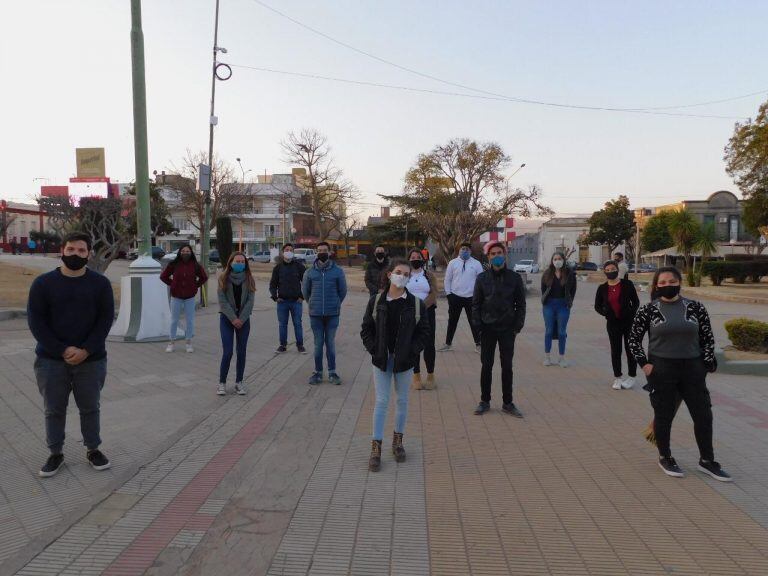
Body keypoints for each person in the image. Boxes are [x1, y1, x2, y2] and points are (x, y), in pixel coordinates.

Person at [628, 266, 731, 481]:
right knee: (664, 415)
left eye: (671, 281)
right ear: (656, 285)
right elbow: (633, 340)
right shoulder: (648, 310)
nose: (667, 285)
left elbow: (707, 337)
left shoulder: (695, 307)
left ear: (679, 283)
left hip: (693, 369)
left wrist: (705, 363)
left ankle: (707, 460)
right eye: (662, 282)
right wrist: (645, 365)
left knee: (703, 415)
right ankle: (665, 456)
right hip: (661, 369)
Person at [27, 232, 115, 477]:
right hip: (50, 361)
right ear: (62, 251)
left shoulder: (100, 284)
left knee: (90, 407)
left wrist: (86, 350)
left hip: (92, 360)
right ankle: (55, 453)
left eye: (81, 251)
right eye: (71, 250)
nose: (75, 255)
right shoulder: (43, 284)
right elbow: (37, 322)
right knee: (54, 409)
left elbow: (105, 320)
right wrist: (62, 349)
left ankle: (93, 449)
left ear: (88, 254)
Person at [361, 259, 428, 472]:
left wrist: (411, 351)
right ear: (389, 274)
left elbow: (424, 333)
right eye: (399, 272)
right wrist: (375, 349)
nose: (402, 276)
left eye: (406, 274)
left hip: (404, 361)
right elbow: (366, 329)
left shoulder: (416, 304)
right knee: (381, 401)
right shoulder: (376, 301)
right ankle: (376, 447)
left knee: (402, 401)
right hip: (381, 360)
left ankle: (398, 442)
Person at [471, 241, 526, 417]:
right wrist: (478, 328)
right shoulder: (482, 278)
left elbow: (521, 304)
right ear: (488, 257)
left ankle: (508, 402)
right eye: (492, 254)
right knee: (486, 366)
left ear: (504, 255)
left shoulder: (514, 278)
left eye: (499, 253)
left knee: (507, 366)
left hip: (508, 329)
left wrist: (517, 327)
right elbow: (476, 305)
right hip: (487, 328)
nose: (496, 256)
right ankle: (484, 401)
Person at [302, 241, 347, 385]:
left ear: (329, 252)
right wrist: (313, 303)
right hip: (315, 315)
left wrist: (335, 303)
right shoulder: (309, 272)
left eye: (324, 250)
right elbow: (305, 292)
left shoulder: (338, 271)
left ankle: (332, 372)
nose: (322, 252)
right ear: (316, 252)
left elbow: (343, 291)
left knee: (330, 344)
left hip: (332, 314)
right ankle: (318, 373)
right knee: (317, 344)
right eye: (319, 250)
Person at [594, 260, 640, 390]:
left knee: (630, 349)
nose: (610, 272)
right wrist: (606, 313)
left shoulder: (627, 284)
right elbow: (597, 306)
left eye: (612, 269)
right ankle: (618, 377)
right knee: (616, 351)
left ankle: (631, 376)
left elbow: (635, 302)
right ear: (604, 272)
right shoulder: (602, 288)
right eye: (607, 270)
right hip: (613, 324)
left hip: (628, 322)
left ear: (617, 269)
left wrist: (631, 312)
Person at [217, 252, 256, 396]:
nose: (239, 263)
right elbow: (222, 302)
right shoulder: (223, 278)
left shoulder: (249, 279)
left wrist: (241, 318)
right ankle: (222, 383)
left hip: (244, 320)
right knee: (227, 352)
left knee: (241, 352)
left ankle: (239, 382)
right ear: (230, 262)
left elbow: (250, 301)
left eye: (242, 261)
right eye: (237, 261)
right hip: (227, 319)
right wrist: (234, 319)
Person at [160, 245, 208, 353]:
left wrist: (195, 286)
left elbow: (204, 277)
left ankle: (188, 342)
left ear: (191, 253)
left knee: (190, 321)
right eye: (183, 251)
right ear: (180, 252)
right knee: (174, 320)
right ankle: (171, 342)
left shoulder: (195, 265)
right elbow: (163, 276)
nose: (185, 253)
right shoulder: (174, 264)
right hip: (176, 297)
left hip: (190, 297)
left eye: (187, 251)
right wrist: (173, 285)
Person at [440, 242, 483, 352]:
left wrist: (479, 297)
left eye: (467, 249)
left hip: (471, 297)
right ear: (459, 250)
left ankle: (478, 344)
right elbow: (447, 279)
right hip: (455, 297)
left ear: (470, 251)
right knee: (452, 321)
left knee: (474, 321)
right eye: (463, 249)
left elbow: (481, 281)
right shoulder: (453, 263)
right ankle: (448, 344)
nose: (465, 251)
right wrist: (449, 294)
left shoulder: (476, 264)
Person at [406, 248, 438, 389]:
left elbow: (434, 292)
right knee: (414, 344)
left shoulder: (429, 275)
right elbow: (401, 291)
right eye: (412, 257)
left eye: (417, 257)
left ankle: (430, 375)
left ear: (422, 259)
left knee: (429, 344)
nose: (415, 259)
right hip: (410, 314)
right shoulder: (405, 275)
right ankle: (416, 375)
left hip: (427, 313)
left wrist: (422, 306)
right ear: (409, 260)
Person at [541, 251, 577, 367]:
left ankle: (561, 358)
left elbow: (573, 290)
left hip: (563, 305)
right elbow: (543, 290)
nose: (557, 261)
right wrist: (545, 301)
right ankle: (547, 357)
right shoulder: (547, 273)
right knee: (549, 331)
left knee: (562, 332)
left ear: (563, 260)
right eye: (555, 259)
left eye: (559, 259)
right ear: (552, 261)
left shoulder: (569, 273)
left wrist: (569, 302)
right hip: (549, 305)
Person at [269, 243, 306, 354]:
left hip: (296, 302)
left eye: (291, 250)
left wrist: (302, 297)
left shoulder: (299, 266)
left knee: (298, 324)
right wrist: (275, 297)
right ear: (282, 252)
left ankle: (300, 345)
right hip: (282, 302)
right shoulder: (278, 268)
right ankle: (283, 345)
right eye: (286, 249)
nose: (288, 251)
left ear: (293, 252)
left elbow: (306, 283)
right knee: (282, 324)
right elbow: (273, 284)